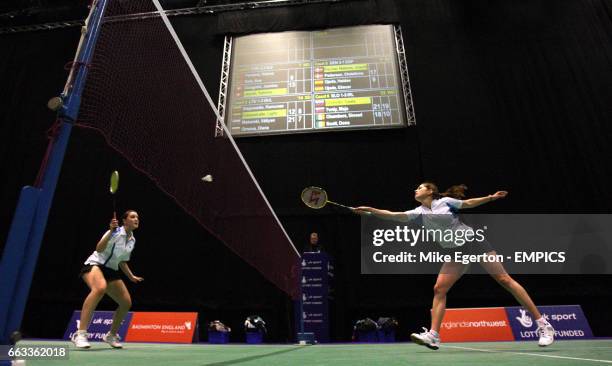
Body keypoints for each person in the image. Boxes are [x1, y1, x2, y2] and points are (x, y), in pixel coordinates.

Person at [354, 182, 555, 349]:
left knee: (504, 279)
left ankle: (543, 325)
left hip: (472, 242)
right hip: (455, 252)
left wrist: (491, 197)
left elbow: (467, 203)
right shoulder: (418, 212)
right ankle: (434, 335)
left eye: (420, 187)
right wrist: (371, 211)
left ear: (430, 191)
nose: (415, 190)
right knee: (439, 289)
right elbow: (393, 215)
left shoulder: (445, 202)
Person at [71, 210, 144, 349]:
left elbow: (122, 261)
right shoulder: (115, 232)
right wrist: (111, 231)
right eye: (133, 217)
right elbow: (98, 249)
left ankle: (111, 335)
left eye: (137, 217)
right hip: (96, 264)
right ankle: (80, 334)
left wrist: (131, 276)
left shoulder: (132, 240)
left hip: (111, 269)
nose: (136, 219)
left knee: (126, 302)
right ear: (124, 220)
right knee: (99, 288)